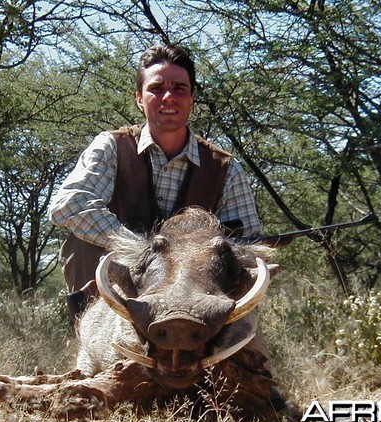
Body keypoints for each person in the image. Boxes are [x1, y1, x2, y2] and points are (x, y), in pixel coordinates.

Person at [48, 44, 261, 319]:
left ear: (192, 99)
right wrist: (140, 252)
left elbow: (249, 245)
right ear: (139, 98)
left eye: (179, 89)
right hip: (116, 288)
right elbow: (68, 205)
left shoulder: (225, 168)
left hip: (194, 300)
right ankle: (92, 341)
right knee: (83, 239)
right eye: (156, 88)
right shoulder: (111, 146)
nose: (168, 97)